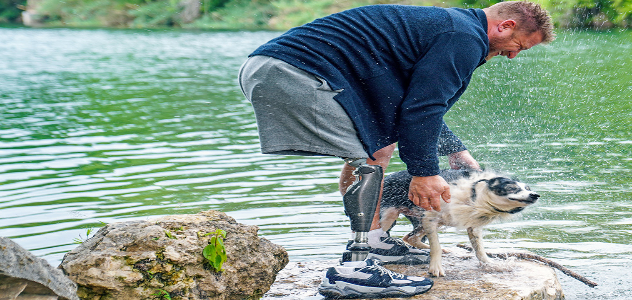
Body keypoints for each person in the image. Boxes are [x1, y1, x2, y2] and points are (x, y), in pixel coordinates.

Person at [237, 1, 554, 298]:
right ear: (505, 26)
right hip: (294, 72)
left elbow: (405, 106)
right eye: (519, 47)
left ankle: (372, 243)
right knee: (370, 150)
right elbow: (422, 109)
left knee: (380, 146)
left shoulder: (455, 28)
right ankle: (354, 270)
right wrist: (424, 173)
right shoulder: (464, 37)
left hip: (279, 68)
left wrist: (453, 149)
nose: (513, 56)